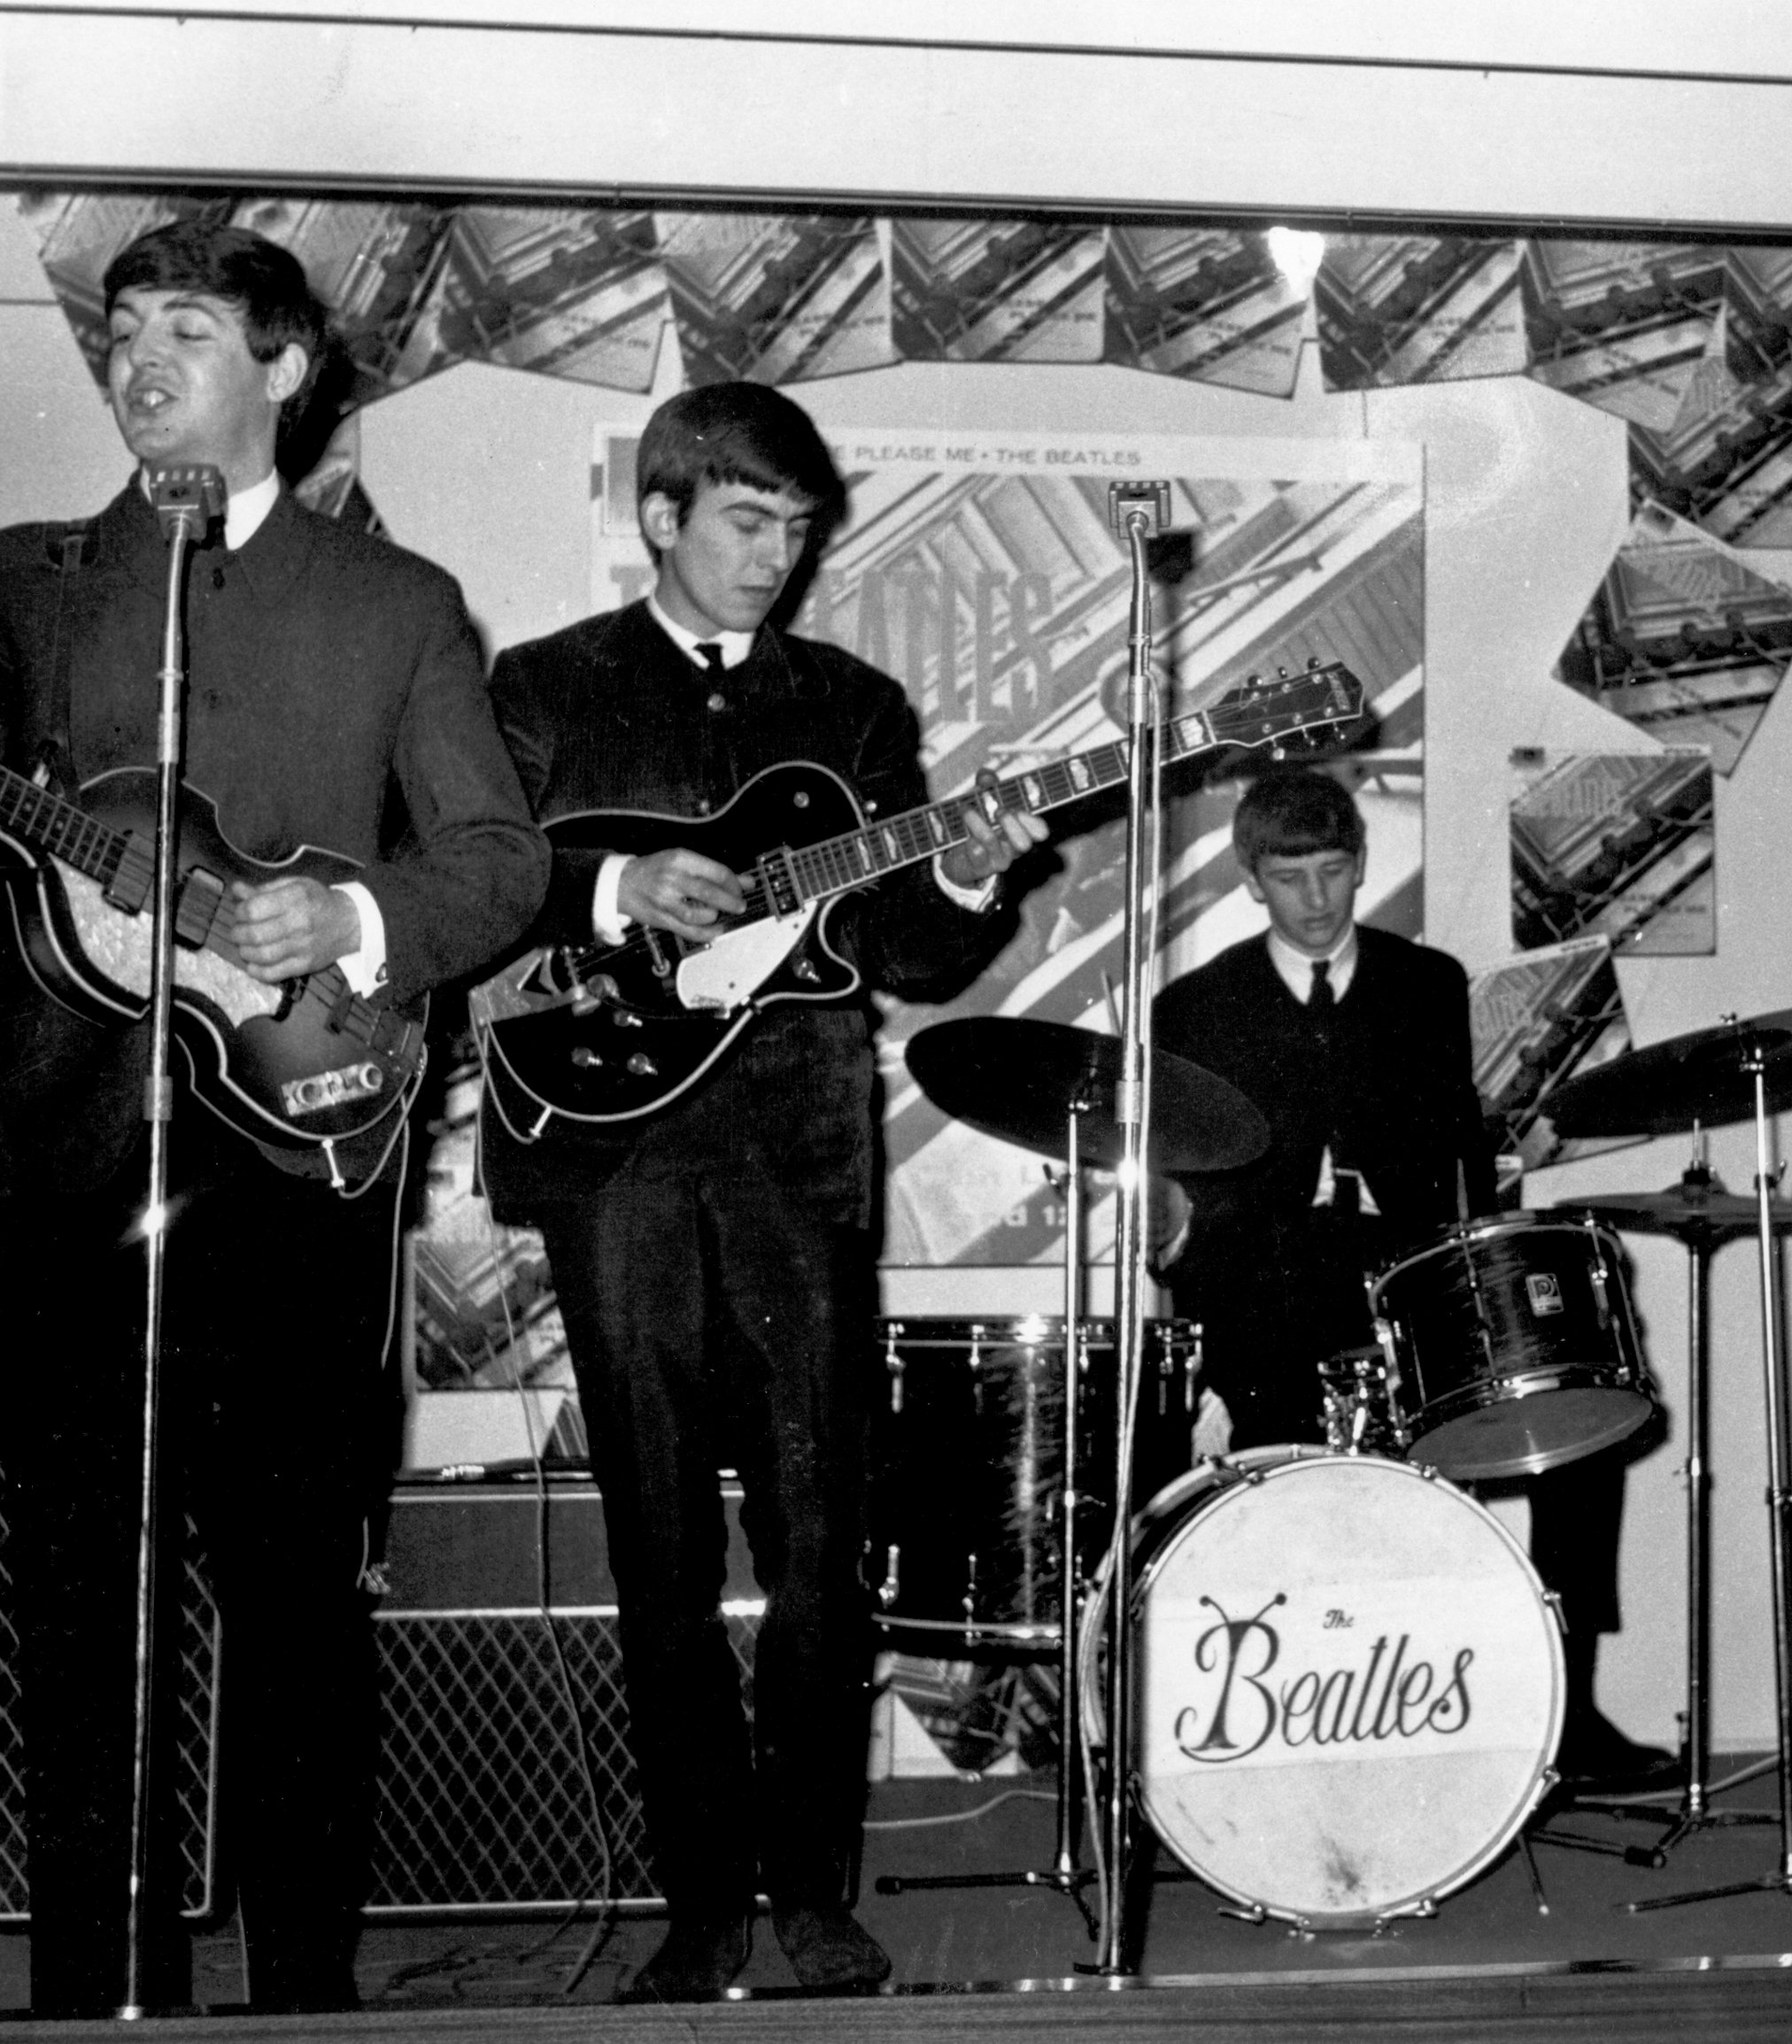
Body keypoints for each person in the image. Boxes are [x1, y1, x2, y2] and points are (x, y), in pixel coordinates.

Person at [0, 221, 548, 2015]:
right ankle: (91, 2001)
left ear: (288, 369)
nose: (138, 356)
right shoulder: (28, 583)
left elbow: (497, 859)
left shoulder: (397, 607)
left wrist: (357, 919)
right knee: (84, 1629)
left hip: (304, 1164)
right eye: (124, 328)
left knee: (299, 1619)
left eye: (186, 330)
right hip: (65, 1173)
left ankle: (304, 2000)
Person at [481, 382, 1044, 2002]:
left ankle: (813, 1888)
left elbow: (909, 956)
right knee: (655, 1543)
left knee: (821, 1540)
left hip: (797, 1163)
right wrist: (611, 885)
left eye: (798, 529)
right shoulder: (542, 688)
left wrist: (964, 870)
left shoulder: (854, 706)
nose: (776, 557)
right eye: (747, 522)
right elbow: (470, 895)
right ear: (660, 517)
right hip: (619, 1159)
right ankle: (698, 1902)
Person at [1152, 767, 1670, 1787]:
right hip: (1267, 1293)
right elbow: (1191, 1204)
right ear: (1250, 878)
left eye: (1335, 870)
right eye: (1290, 876)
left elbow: (1459, 1158)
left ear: (1360, 864)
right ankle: (1267, 1728)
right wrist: (1204, 1359)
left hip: (1410, 1276)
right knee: (1240, 1479)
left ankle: (1569, 1706)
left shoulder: (1426, 980)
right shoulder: (1197, 1005)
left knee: (1578, 1425)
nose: (1317, 899)